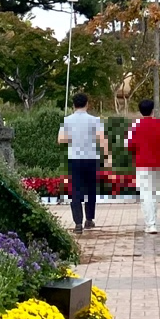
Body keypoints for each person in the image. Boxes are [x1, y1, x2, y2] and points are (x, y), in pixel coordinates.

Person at [57, 92, 110, 234]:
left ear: (73, 105)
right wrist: (107, 156)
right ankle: (89, 219)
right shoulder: (94, 120)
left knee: (76, 190)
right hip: (91, 158)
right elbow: (102, 139)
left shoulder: (67, 120)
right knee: (91, 189)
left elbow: (60, 139)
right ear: (87, 104)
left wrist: (74, 137)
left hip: (75, 159)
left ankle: (78, 223)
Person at [127, 98, 160, 235]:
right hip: (158, 164)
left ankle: (150, 224)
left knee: (145, 194)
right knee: (154, 193)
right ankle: (153, 221)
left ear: (140, 111)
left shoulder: (135, 126)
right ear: (152, 110)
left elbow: (130, 146)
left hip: (142, 164)